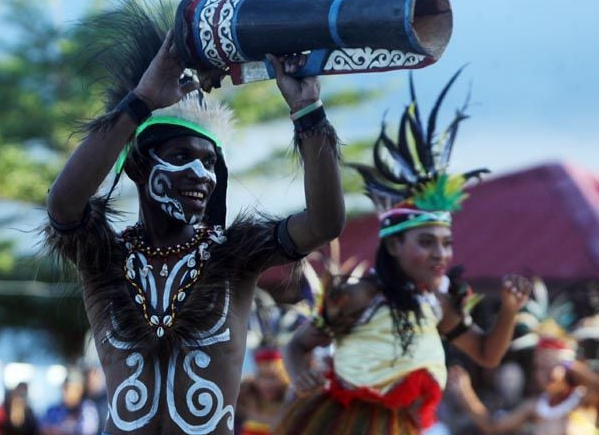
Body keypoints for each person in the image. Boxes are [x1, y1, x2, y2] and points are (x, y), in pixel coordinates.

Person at [44, 0, 344, 435]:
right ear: (139, 167)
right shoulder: (104, 258)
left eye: (210, 163)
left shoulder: (233, 257)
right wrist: (142, 100)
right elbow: (63, 206)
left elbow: (324, 223)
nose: (201, 174)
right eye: (182, 156)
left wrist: (308, 112)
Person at [276, 71, 533, 434]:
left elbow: (487, 354)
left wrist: (508, 310)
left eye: (446, 243)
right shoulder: (361, 296)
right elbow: (297, 346)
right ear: (395, 245)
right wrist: (301, 375)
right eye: (426, 242)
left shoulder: (437, 304)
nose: (440, 253)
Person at [448, 333, 599, 435]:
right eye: (539, 367)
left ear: (566, 368)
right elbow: (493, 426)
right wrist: (465, 394)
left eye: (549, 366)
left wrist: (570, 364)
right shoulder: (535, 407)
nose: (543, 374)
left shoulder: (584, 400)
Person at [236, 348, 290, 435]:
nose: (267, 384)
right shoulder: (248, 397)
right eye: (262, 377)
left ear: (284, 378)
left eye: (273, 377)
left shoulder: (292, 401)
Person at [40, 369, 99, 435]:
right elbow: (43, 428)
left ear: (80, 390)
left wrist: (59, 429)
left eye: (68, 388)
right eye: (64, 388)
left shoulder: (87, 408)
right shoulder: (53, 409)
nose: (65, 392)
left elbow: (88, 431)